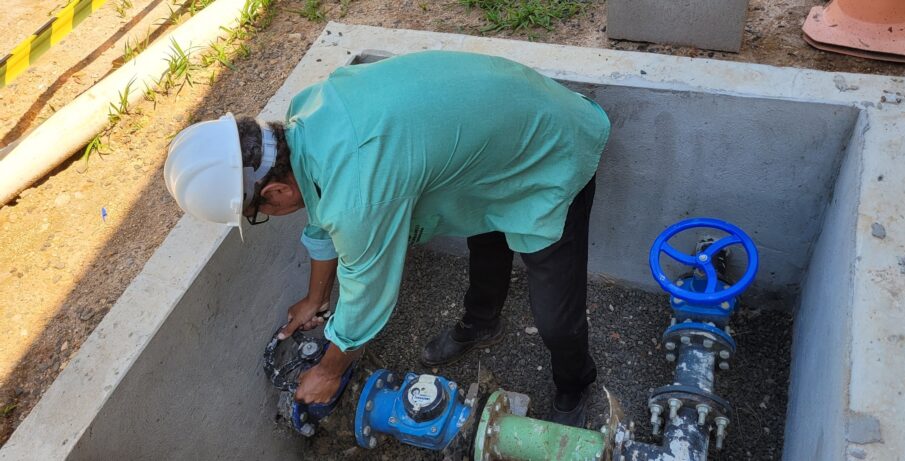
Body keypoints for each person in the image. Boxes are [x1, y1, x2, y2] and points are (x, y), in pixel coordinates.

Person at [163, 51, 610, 426]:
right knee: (485, 234)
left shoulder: (358, 190)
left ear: (275, 192)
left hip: (548, 150)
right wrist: (313, 300)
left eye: (262, 213)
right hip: (495, 140)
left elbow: (367, 296)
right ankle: (481, 322)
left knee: (554, 312)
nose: (271, 215)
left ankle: (575, 383)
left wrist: (328, 372)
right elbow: (322, 212)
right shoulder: (309, 114)